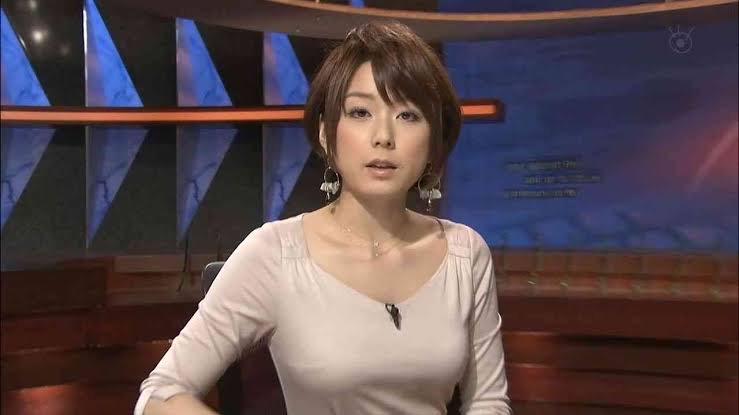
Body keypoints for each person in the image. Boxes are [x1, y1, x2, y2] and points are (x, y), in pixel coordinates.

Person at [135, 21, 511, 415]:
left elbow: (488, 403)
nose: (383, 136)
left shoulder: (465, 253)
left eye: (408, 115)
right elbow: (159, 394)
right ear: (326, 134)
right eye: (360, 112)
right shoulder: (275, 253)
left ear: (434, 140)